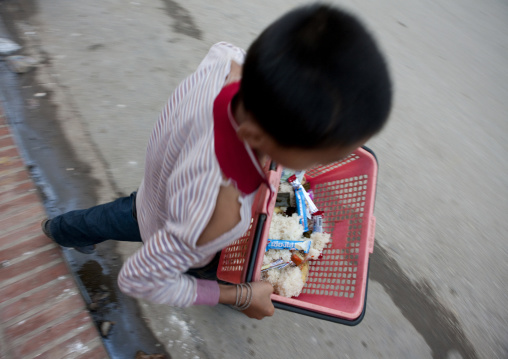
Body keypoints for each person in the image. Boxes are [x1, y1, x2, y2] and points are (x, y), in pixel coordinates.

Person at [41, 4, 392, 320]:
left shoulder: (229, 61)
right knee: (173, 247)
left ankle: (60, 230)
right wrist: (239, 295)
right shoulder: (217, 216)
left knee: (122, 214)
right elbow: (141, 279)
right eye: (324, 155)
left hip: (164, 180)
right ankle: (63, 232)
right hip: (172, 218)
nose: (333, 160)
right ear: (255, 137)